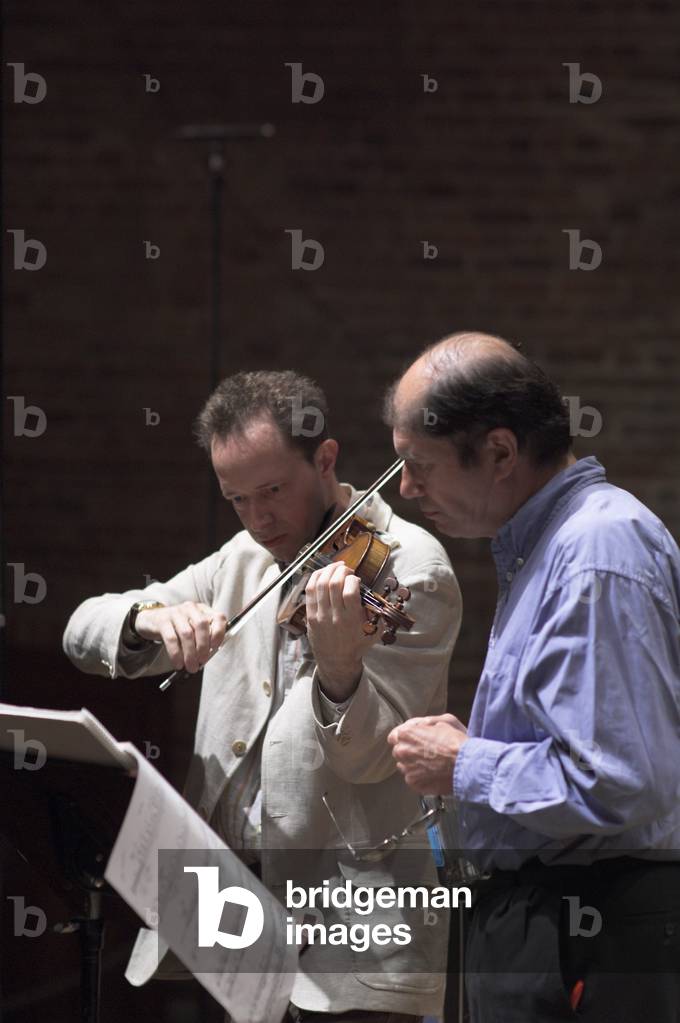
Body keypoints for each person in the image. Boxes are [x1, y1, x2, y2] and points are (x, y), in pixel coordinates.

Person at [63, 369, 462, 1023]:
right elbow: (82, 628)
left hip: (352, 945)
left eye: (272, 490)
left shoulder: (406, 567)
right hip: (235, 922)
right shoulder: (241, 559)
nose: (258, 518)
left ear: (325, 458)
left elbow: (376, 759)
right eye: (237, 498)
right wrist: (148, 619)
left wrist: (339, 672)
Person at [385, 332, 680, 1023]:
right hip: (559, 921)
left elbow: (617, 781)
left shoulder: (595, 548)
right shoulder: (547, 544)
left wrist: (466, 762)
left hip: (594, 926)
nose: (405, 488)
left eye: (418, 465)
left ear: (498, 453)